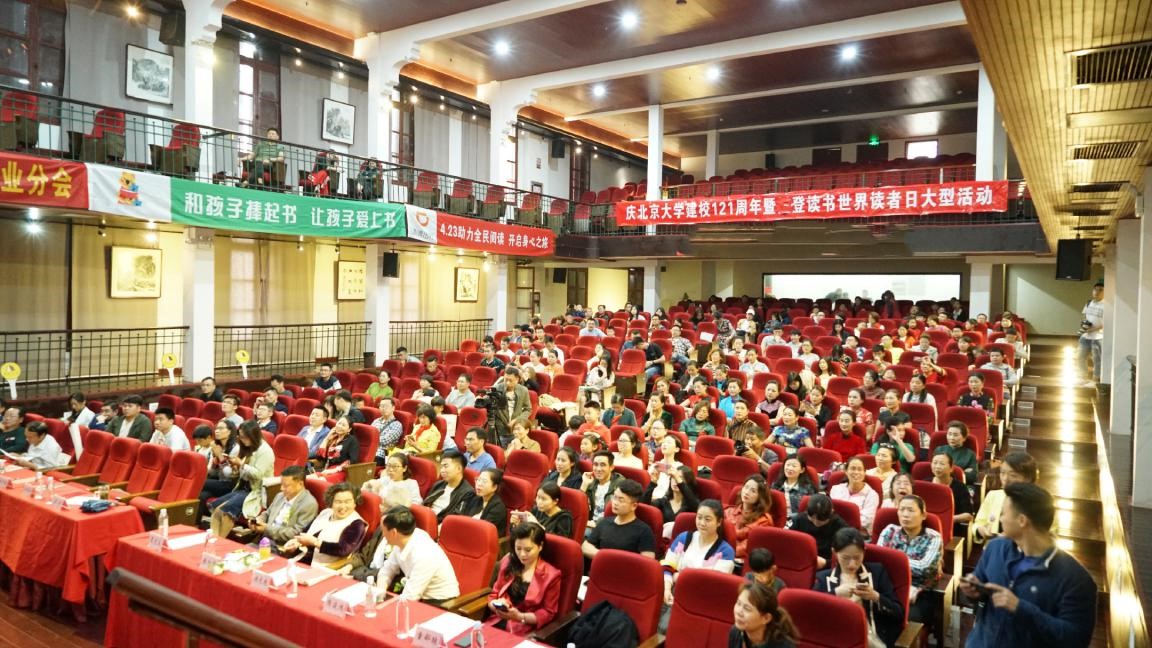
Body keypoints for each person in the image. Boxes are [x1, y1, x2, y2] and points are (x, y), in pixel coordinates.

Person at [960, 483, 1096, 647]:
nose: (1000, 519)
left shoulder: (1075, 579)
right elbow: (981, 586)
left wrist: (1020, 608)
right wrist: (973, 592)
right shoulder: (995, 548)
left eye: (1003, 513)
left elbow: (1075, 639)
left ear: (1022, 520)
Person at [813, 528, 904, 647]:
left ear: (864, 552)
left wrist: (875, 596)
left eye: (857, 557)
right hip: (837, 639)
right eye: (845, 558)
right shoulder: (823, 578)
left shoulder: (877, 572)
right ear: (834, 552)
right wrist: (835, 594)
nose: (852, 564)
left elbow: (898, 612)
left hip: (871, 638)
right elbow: (812, 613)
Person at [660, 500, 737, 632]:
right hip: (672, 590)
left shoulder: (725, 552)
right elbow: (668, 567)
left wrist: (679, 576)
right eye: (699, 517)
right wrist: (666, 589)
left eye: (708, 519)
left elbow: (712, 584)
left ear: (719, 522)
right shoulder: (684, 538)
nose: (702, 523)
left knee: (668, 628)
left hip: (703, 599)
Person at [367, 506, 461, 602]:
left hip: (440, 601)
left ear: (394, 533)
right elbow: (387, 570)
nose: (382, 534)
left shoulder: (423, 554)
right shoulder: (403, 539)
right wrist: (380, 594)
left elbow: (410, 597)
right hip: (418, 595)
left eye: (383, 530)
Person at [486, 522, 562, 636]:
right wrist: (496, 605)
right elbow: (494, 594)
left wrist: (519, 616)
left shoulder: (552, 575)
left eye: (528, 550)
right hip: (496, 621)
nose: (522, 554)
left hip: (524, 629)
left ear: (540, 546)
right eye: (518, 548)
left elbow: (548, 612)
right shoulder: (508, 562)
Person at [876, 495, 942, 623]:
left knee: (902, 619)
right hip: (888, 587)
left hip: (920, 592)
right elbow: (878, 561)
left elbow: (925, 569)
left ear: (923, 515)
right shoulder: (890, 531)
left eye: (911, 510)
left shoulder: (933, 537)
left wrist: (892, 561)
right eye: (902, 509)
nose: (905, 515)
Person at [209, 420, 275, 538]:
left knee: (226, 511)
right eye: (241, 436)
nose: (242, 440)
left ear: (253, 435)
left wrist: (241, 464)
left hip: (255, 491)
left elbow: (258, 475)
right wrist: (235, 467)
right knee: (216, 509)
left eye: (245, 437)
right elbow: (242, 472)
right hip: (242, 487)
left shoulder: (265, 451)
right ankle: (213, 538)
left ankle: (219, 541)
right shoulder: (247, 447)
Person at [971, 451, 1038, 545]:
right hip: (993, 549)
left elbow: (1045, 539)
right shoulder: (993, 495)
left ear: (1028, 478)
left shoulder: (1039, 504)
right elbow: (978, 522)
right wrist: (980, 530)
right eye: (1002, 473)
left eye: (1013, 475)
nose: (1005, 479)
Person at [582, 479, 657, 559]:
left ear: (633, 506)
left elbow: (647, 560)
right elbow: (585, 546)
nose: (615, 502)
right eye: (614, 497)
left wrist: (617, 560)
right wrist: (605, 556)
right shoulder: (604, 522)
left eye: (621, 500)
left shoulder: (644, 531)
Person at [248, 465, 319, 546]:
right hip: (264, 540)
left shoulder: (309, 504)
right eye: (281, 484)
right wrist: (258, 521)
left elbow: (296, 533)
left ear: (300, 484)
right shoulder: (280, 496)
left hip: (283, 546)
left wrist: (267, 529)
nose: (281, 488)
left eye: (286, 486)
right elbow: (267, 514)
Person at [785, 493, 849, 569]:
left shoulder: (841, 527)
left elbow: (847, 556)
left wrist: (826, 563)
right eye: (812, 519)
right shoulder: (799, 519)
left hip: (826, 564)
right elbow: (786, 543)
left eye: (821, 520)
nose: (816, 523)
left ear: (831, 512)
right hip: (800, 559)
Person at [728, 582, 799, 648]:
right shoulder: (736, 631)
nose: (739, 612)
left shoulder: (784, 645)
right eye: (738, 603)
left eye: (747, 608)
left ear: (766, 618)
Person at [726, 475, 775, 560]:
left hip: (739, 559)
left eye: (753, 491)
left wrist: (723, 552)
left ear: (760, 497)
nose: (747, 492)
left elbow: (746, 547)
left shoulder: (763, 521)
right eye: (746, 487)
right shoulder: (728, 511)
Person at [829, 456, 880, 536]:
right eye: (853, 469)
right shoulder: (836, 489)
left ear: (864, 472)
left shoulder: (872, 495)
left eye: (859, 469)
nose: (856, 472)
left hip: (857, 534)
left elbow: (865, 521)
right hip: (833, 529)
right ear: (846, 471)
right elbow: (830, 512)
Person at [646, 464, 700, 536]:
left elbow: (695, 507)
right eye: (673, 477)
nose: (675, 481)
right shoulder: (664, 501)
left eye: (680, 478)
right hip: (663, 538)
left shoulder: (692, 503)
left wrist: (678, 479)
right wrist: (653, 482)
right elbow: (645, 507)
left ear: (688, 482)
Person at [423, 450, 475, 521]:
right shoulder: (438, 484)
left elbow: (456, 519)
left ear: (459, 469)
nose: (442, 471)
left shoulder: (468, 493)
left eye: (445, 466)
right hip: (426, 519)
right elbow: (426, 504)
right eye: (441, 467)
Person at [928, 452, 973, 531]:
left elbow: (968, 515)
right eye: (935, 463)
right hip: (927, 526)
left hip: (950, 528)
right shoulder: (925, 484)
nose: (937, 466)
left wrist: (948, 519)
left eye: (942, 464)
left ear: (951, 468)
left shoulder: (960, 487)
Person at [582, 450, 624, 528]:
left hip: (607, 526)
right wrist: (584, 485)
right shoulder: (590, 482)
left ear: (611, 467)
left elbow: (620, 512)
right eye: (595, 465)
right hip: (588, 523)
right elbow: (577, 506)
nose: (598, 469)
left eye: (603, 465)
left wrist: (596, 523)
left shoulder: (620, 485)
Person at [460, 467, 508, 535]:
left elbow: (484, 530)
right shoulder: (475, 498)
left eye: (484, 481)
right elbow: (463, 518)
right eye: (478, 480)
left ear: (494, 487)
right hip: (468, 534)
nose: (479, 484)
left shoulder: (498, 507)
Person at [311, 416, 360, 481]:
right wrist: (327, 438)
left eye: (343, 425)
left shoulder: (352, 441)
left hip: (341, 471)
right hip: (327, 470)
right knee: (309, 478)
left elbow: (352, 461)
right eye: (339, 423)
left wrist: (334, 470)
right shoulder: (333, 437)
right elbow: (320, 456)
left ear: (349, 429)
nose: (340, 426)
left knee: (320, 481)